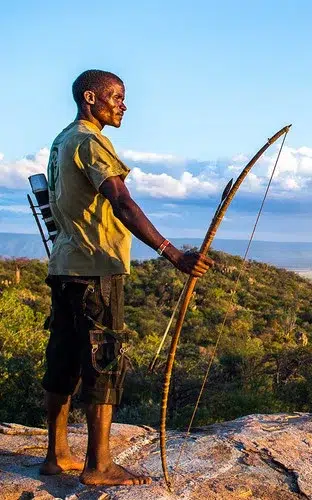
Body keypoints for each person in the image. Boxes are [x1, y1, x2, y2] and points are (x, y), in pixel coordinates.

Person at [40, 69, 213, 486]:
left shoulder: (62, 140)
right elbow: (122, 202)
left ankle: (57, 454)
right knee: (103, 361)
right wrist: (172, 252)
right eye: (115, 97)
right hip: (95, 270)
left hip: (65, 267)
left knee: (63, 359)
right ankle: (98, 466)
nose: (123, 105)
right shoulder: (90, 142)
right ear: (90, 97)